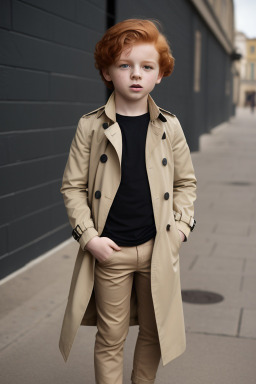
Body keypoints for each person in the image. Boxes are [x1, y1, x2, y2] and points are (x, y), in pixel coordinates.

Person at [59, 19, 197, 384]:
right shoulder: (90, 126)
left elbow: (186, 182)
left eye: (146, 67)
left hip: (158, 249)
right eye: (125, 65)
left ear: (159, 75)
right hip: (110, 251)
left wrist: (181, 229)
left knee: (154, 334)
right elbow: (72, 187)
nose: (136, 75)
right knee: (111, 337)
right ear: (107, 71)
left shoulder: (170, 126)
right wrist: (90, 239)